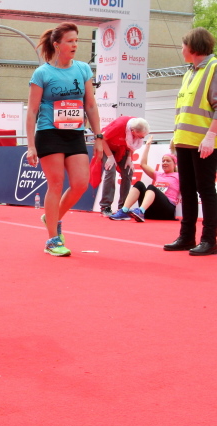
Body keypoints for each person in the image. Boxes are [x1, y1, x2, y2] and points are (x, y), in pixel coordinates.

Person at [26, 22, 103, 256]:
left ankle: (52, 217)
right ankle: (52, 240)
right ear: (57, 45)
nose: (75, 45)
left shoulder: (83, 69)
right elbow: (32, 110)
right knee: (56, 183)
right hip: (49, 132)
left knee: (80, 183)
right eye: (70, 41)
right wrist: (31, 146)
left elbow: (90, 105)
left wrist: (99, 136)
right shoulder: (42, 73)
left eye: (77, 41)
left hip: (75, 133)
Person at [164, 27, 217, 256]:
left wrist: (211, 136)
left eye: (183, 46)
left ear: (193, 47)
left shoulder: (213, 68)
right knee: (186, 190)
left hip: (204, 142)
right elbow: (184, 109)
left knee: (205, 190)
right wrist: (176, 135)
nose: (181, 49)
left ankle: (210, 239)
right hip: (185, 141)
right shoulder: (189, 72)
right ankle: (187, 236)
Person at [109, 136, 180, 221]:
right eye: (163, 161)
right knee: (139, 184)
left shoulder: (179, 175)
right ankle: (124, 211)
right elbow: (143, 164)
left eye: (168, 161)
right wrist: (147, 145)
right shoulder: (158, 174)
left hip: (166, 211)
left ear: (175, 164)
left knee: (151, 187)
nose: (165, 163)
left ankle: (141, 211)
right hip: (151, 211)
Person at [98, 116, 150, 217]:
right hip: (107, 146)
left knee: (128, 171)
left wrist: (129, 157)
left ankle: (123, 207)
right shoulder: (119, 125)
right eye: (140, 137)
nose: (141, 139)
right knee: (110, 171)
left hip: (121, 148)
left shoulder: (138, 125)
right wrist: (110, 156)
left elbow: (133, 144)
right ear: (133, 131)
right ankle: (105, 206)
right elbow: (102, 138)